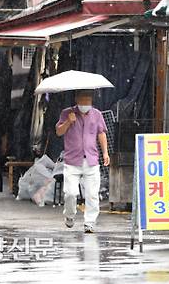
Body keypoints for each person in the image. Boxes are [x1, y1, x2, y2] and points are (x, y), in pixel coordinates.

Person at [56, 90, 110, 233]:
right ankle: (69, 216)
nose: (85, 104)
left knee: (92, 194)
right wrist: (68, 121)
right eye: (82, 101)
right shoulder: (66, 113)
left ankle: (89, 222)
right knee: (70, 193)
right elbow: (59, 132)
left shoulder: (96, 114)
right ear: (77, 100)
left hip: (91, 160)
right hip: (72, 161)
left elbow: (101, 133)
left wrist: (105, 152)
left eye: (88, 101)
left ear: (91, 101)